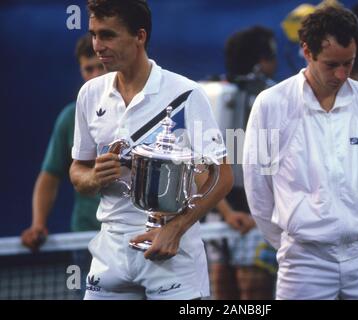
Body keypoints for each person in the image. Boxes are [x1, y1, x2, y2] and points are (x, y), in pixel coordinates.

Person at [69, 0, 233, 300]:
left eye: (107, 35)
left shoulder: (187, 93)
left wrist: (175, 229)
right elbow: (78, 170)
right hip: (110, 251)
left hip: (174, 252)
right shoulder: (89, 94)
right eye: (93, 34)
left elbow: (222, 177)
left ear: (140, 36)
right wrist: (94, 177)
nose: (97, 45)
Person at [243, 6, 358, 300]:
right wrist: (293, 241)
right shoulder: (270, 104)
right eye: (331, 65)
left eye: (348, 63)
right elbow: (257, 185)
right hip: (303, 261)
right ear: (306, 51)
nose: (341, 74)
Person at [20, 33, 105, 298]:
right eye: (87, 68)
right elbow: (50, 176)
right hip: (87, 240)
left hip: (132, 239)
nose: (93, 74)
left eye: (99, 67)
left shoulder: (136, 110)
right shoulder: (70, 117)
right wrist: (38, 224)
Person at [205, 26, 277, 300]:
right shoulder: (273, 97)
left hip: (232, 213)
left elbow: (204, 166)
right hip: (240, 216)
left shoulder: (212, 92)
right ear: (262, 59)